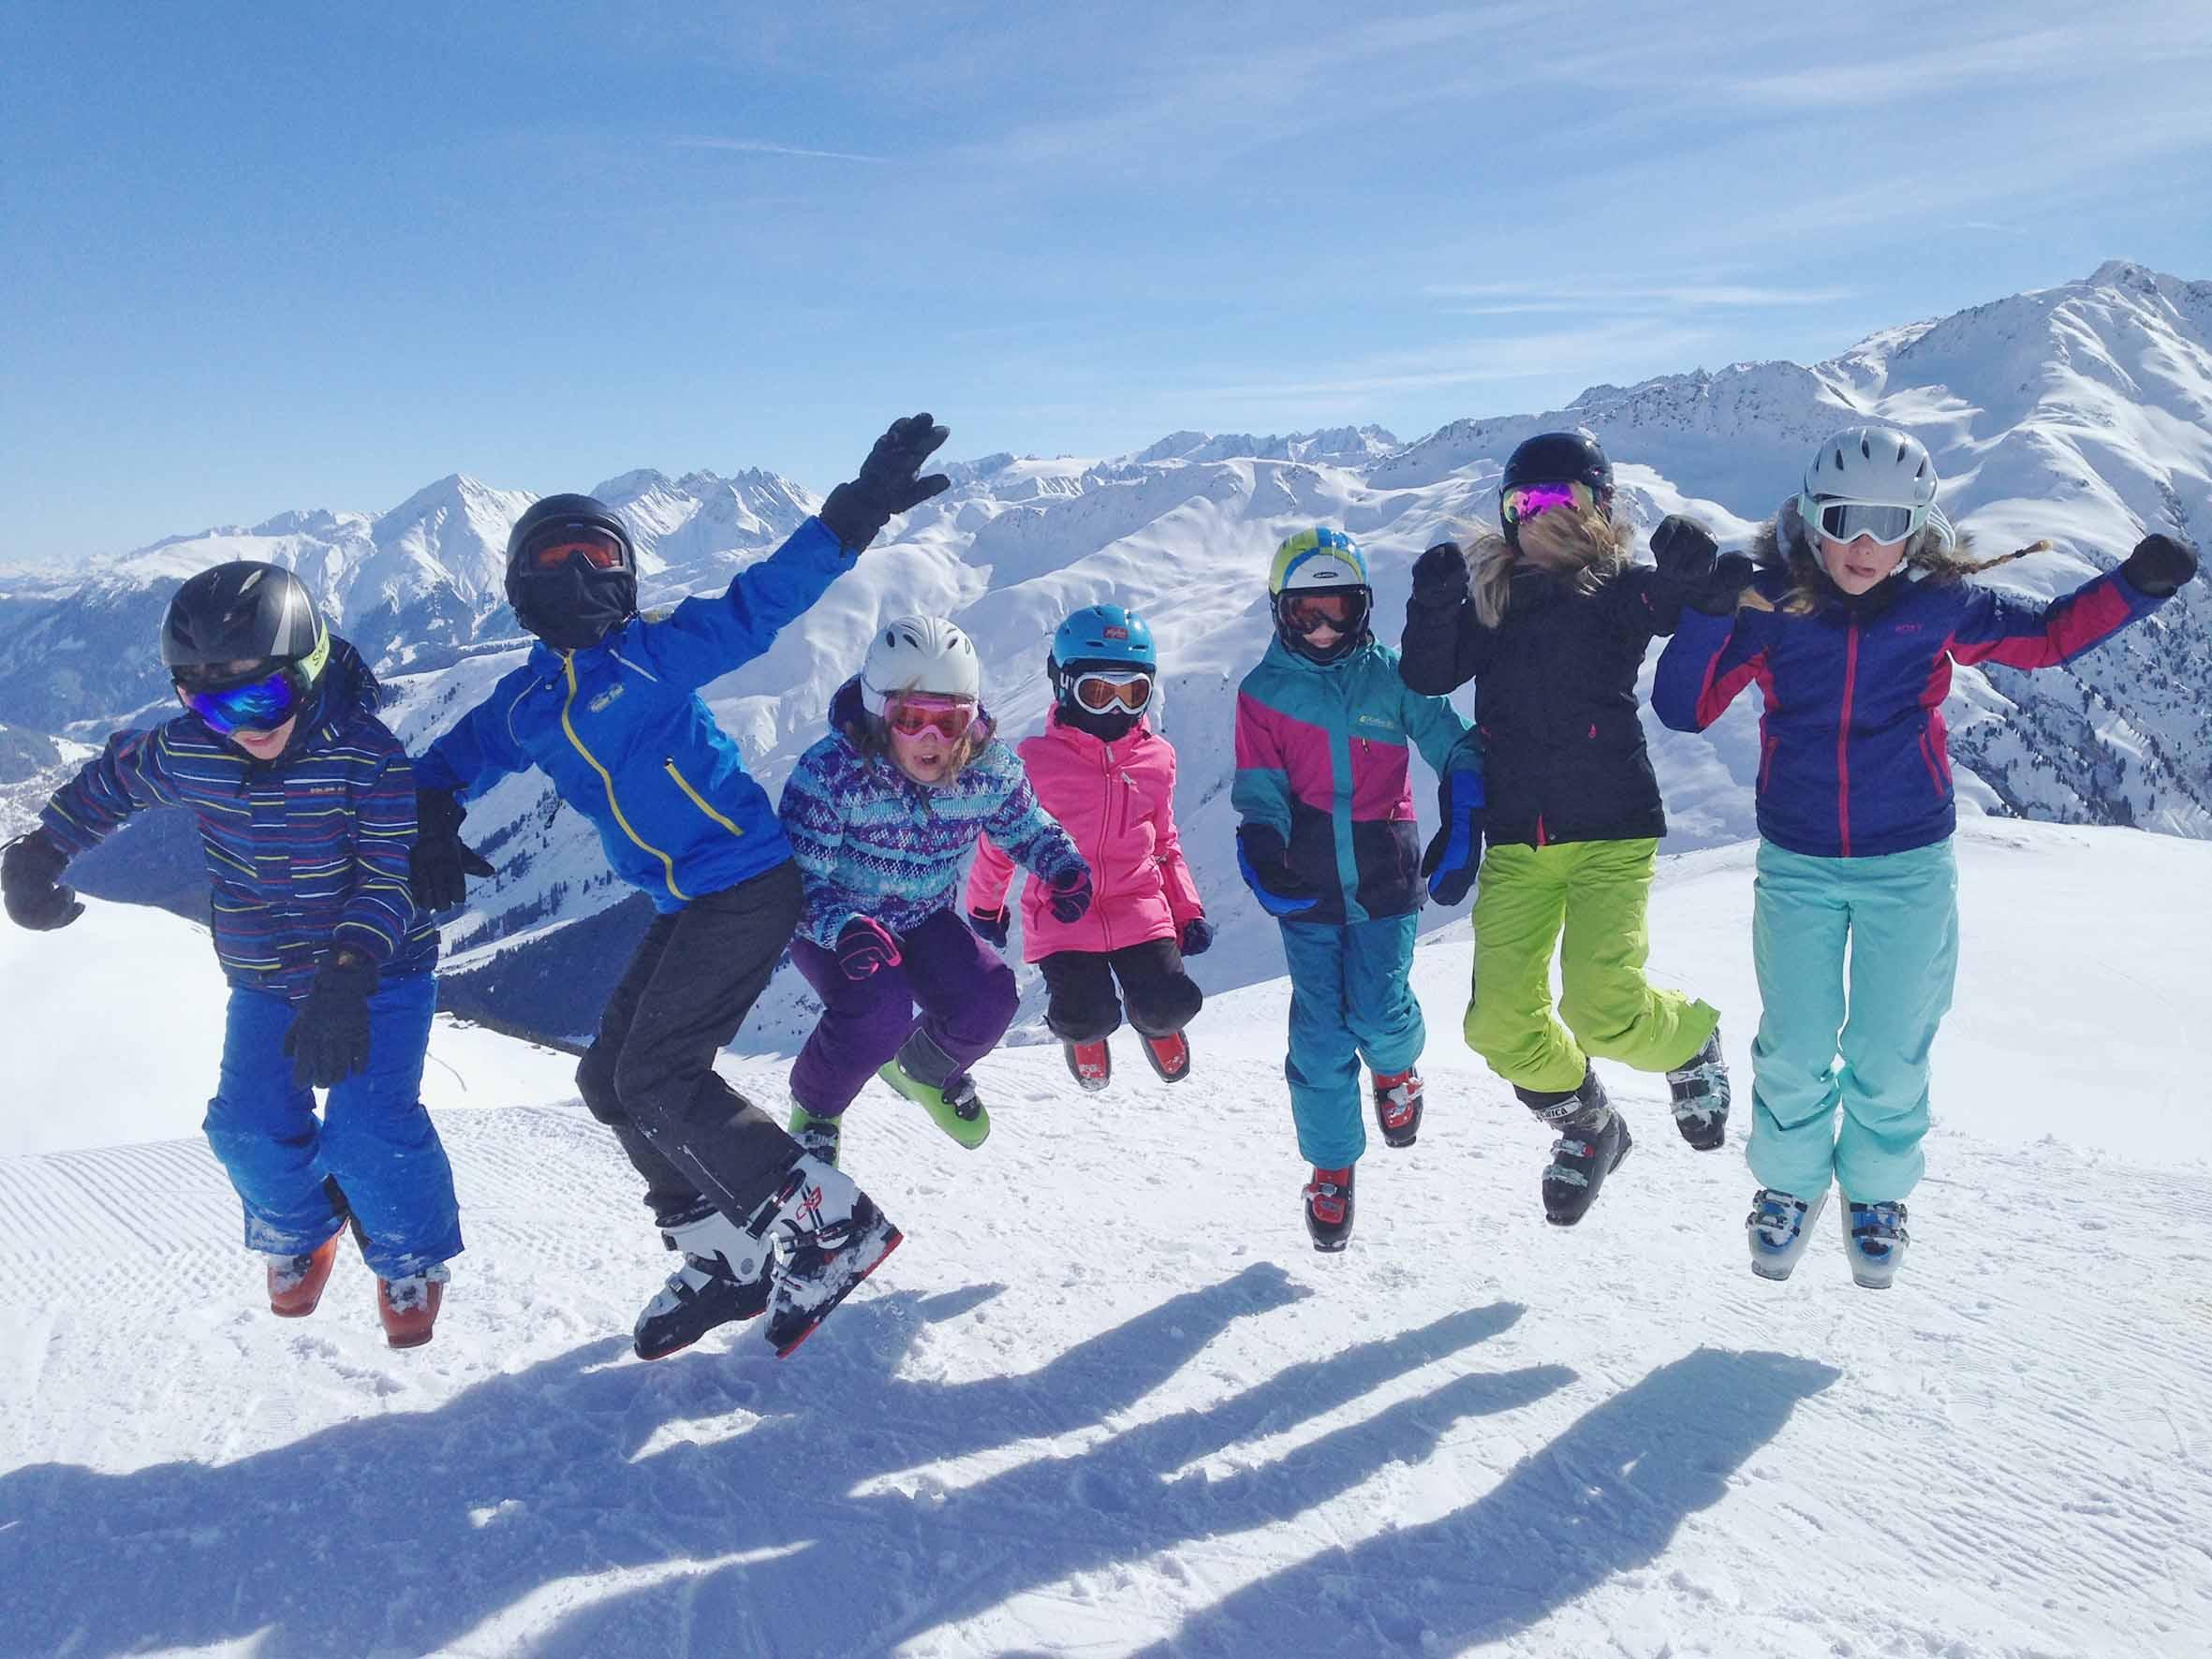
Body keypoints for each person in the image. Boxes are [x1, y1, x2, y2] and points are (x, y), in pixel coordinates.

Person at [407, 415, 948, 1359]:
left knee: (658, 1072)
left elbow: (758, 603)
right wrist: (426, 812)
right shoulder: (530, 704)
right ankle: (724, 1252)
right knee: (607, 1080)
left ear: (624, 575)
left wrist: (852, 513)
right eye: (558, 557)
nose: (579, 574)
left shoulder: (649, 657)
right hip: (682, 898)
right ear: (521, 584)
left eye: (597, 555)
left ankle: (832, 1222)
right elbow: (451, 759)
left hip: (747, 880)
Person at [1652, 423, 2198, 1287]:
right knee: (1794, 1044)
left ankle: (1875, 1192)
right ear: (1810, 517)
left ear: (1920, 526)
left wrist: (2135, 587)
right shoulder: (1770, 604)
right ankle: (1788, 1190)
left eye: (1889, 521)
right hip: (1798, 861)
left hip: (1908, 859)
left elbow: (2048, 638)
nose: (1865, 545)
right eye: (1843, 519)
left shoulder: (1937, 605)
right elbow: (1686, 708)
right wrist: (1705, 612)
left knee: (1891, 1042)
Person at [1, 562, 460, 1346]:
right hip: (265, 974)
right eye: (204, 701)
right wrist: (42, 849)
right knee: (244, 1128)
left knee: (368, 1132)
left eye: (260, 697)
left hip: (378, 973)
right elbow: (112, 782)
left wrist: (348, 977)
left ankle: (407, 1254)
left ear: (309, 671)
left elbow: (388, 879)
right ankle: (302, 1229)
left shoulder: (367, 757)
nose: (239, 723)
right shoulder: (193, 747)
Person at [1398, 431, 1729, 1228]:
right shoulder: (1495, 604)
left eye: (1561, 500)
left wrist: (1689, 571)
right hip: (1519, 844)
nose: (1541, 517)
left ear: (1599, 510)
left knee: (1604, 1010)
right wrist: (1433, 604)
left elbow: (1670, 604)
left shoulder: (1616, 593)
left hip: (1612, 831)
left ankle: (1689, 1045)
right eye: (1523, 503)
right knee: (1498, 1024)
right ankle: (1590, 1126)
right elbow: (1428, 674)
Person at [1232, 527, 1484, 1252]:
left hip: (1383, 875)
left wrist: (1462, 810)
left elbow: (1456, 742)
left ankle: (1396, 1067)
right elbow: (1261, 790)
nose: (1321, 628)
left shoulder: (1393, 677)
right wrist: (1260, 842)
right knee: (1318, 1035)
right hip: (1307, 882)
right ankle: (1332, 1167)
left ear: (1363, 610)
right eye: (1305, 612)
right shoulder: (1263, 693)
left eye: (1338, 610)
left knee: (1377, 1008)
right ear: (1281, 612)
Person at [778, 615, 1091, 1158]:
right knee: (878, 1010)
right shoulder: (834, 774)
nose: (931, 739)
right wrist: (840, 927)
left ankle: (920, 1069)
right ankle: (816, 1112)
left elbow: (1022, 822)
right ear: (880, 714)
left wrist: (1060, 863)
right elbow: (796, 882)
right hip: (838, 926)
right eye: (911, 718)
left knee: (989, 999)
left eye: (949, 722)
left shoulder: (986, 769)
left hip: (922, 915)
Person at [965, 604, 1209, 1091]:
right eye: (1098, 693)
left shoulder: (1157, 760)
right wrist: (985, 906)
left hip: (1139, 905)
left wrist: (1187, 908)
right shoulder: (1035, 762)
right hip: (1063, 912)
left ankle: (1156, 1025)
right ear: (1064, 685)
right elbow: (1003, 839)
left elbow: (1164, 843)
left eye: (1132, 693)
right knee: (1085, 1015)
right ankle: (1084, 1035)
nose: (1116, 710)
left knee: (1171, 1004)